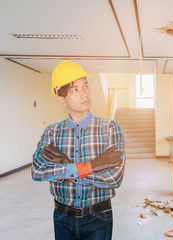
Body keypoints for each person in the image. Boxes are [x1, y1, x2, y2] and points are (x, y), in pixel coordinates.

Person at [32, 60, 126, 240]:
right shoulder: (52, 132)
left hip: (99, 216)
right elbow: (37, 171)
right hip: (62, 217)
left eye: (86, 86)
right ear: (62, 99)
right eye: (75, 90)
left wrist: (66, 167)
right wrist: (90, 166)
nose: (84, 94)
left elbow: (114, 177)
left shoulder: (109, 128)